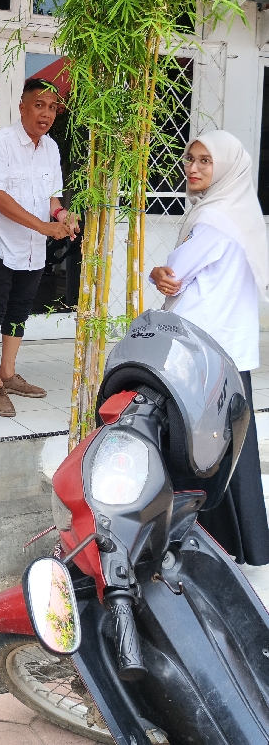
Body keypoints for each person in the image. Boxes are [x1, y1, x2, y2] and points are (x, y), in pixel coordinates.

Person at [150, 131, 269, 566]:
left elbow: (174, 275)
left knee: (195, 450)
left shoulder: (213, 219)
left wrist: (157, 273)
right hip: (231, 351)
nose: (193, 168)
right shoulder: (241, 214)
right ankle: (244, 544)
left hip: (201, 354)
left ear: (227, 168)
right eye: (190, 158)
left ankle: (200, 542)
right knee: (234, 451)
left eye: (205, 161)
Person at [0, 78, 78, 417]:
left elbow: (52, 200)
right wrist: (44, 227)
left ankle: (8, 372)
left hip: (31, 249)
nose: (46, 113)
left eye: (52, 107)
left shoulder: (51, 149)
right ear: (22, 107)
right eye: (39, 105)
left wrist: (62, 215)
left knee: (18, 312)